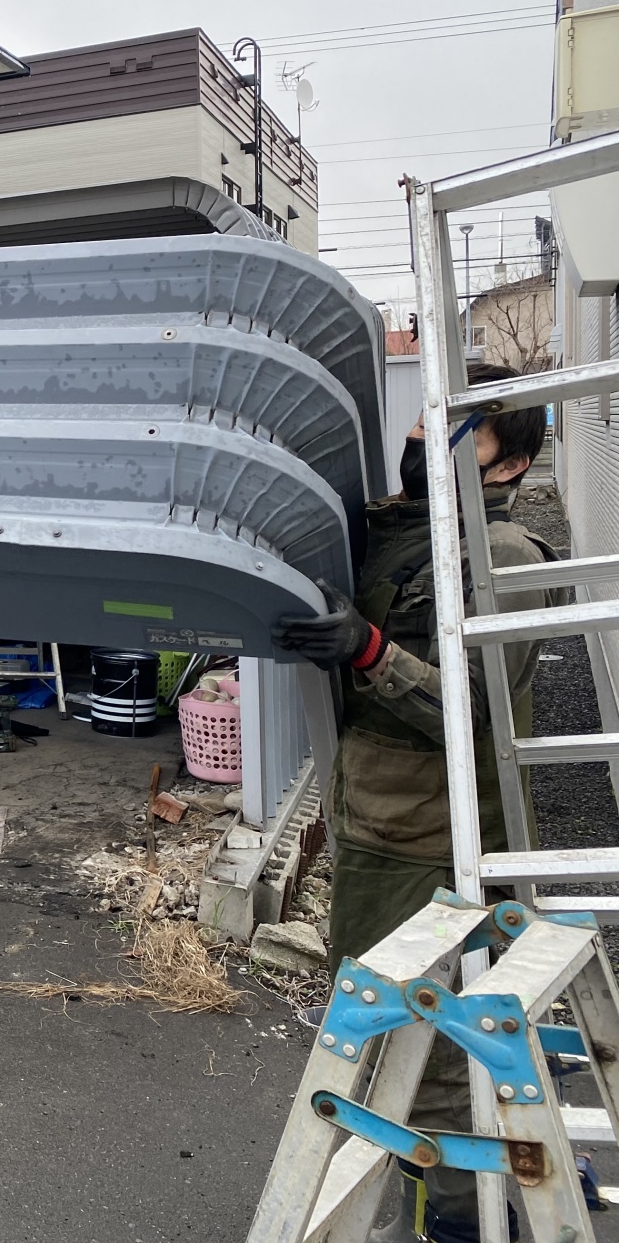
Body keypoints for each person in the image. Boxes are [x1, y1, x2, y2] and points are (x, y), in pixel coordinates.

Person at [272, 362, 559, 1243]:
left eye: (460, 428)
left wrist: (367, 654)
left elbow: (476, 711)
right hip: (373, 824)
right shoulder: (395, 532)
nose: (425, 441)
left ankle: (463, 1225)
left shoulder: (500, 554)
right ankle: (418, 1205)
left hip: (440, 841)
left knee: (433, 1057)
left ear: (506, 467)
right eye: (427, 419)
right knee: (380, 1037)